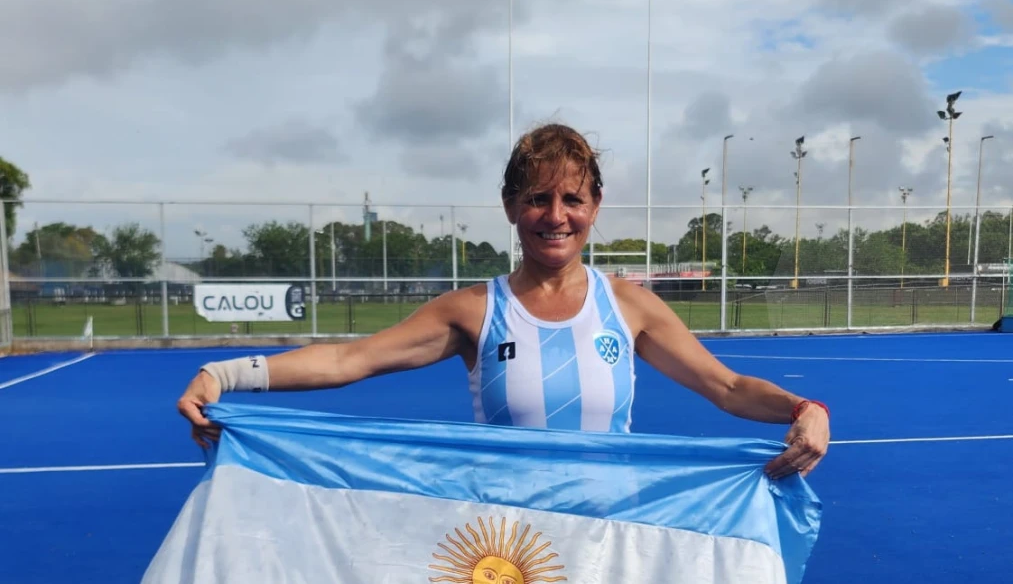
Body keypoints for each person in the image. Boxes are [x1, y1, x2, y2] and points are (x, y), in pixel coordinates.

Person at [178, 123, 830, 480]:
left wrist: (804, 407)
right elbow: (349, 359)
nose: (554, 215)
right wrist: (225, 374)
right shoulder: (472, 310)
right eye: (536, 199)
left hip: (610, 530)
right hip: (505, 544)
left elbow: (725, 386)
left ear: (594, 208)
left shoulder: (628, 305)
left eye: (571, 199)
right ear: (511, 208)